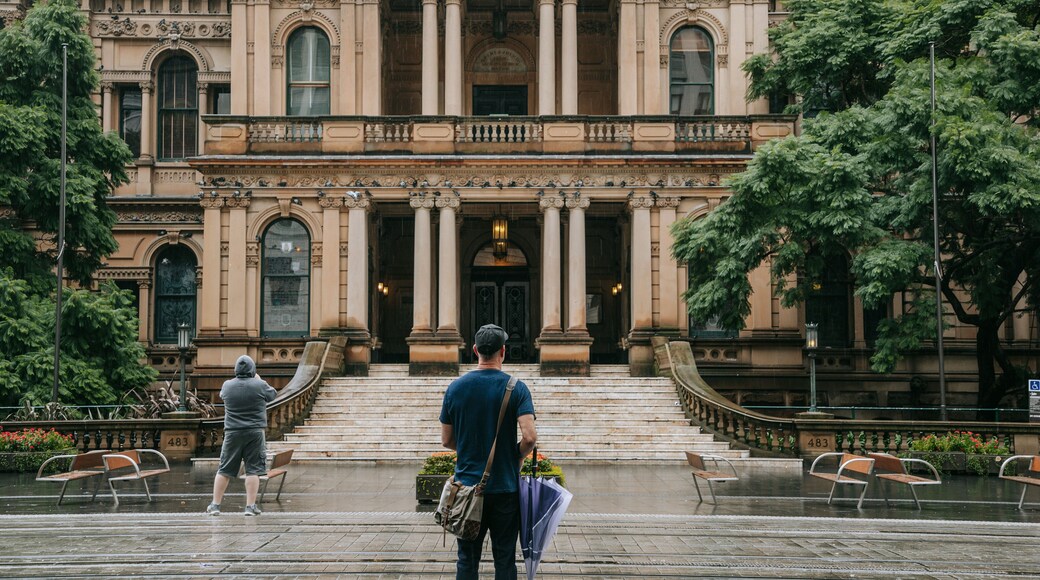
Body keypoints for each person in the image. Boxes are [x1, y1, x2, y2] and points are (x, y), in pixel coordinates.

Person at [440, 324, 538, 580]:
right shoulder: (517, 388)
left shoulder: (455, 388)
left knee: (467, 560)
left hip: (467, 491)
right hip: (505, 490)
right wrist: (514, 455)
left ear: (475, 351)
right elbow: (530, 437)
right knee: (505, 559)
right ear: (503, 352)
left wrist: (471, 450)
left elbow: (447, 440)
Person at [206, 355, 277, 516]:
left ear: (236, 370)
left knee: (224, 469)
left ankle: (215, 505)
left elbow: (223, 396)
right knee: (253, 470)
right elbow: (273, 395)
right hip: (255, 432)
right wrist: (258, 378)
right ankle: (250, 507)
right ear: (252, 369)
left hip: (232, 432)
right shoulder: (260, 385)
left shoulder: (227, 385)